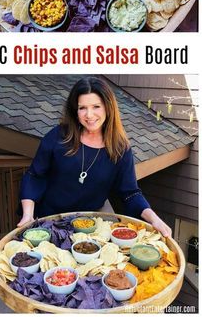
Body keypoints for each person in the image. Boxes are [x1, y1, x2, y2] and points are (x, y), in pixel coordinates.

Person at [18, 77, 171, 237]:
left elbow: (130, 193)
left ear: (108, 107)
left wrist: (154, 219)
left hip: (89, 226)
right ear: (75, 110)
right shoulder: (59, 135)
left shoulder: (120, 148)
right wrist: (28, 214)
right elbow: (35, 175)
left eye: (96, 106)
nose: (89, 115)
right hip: (49, 220)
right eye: (82, 108)